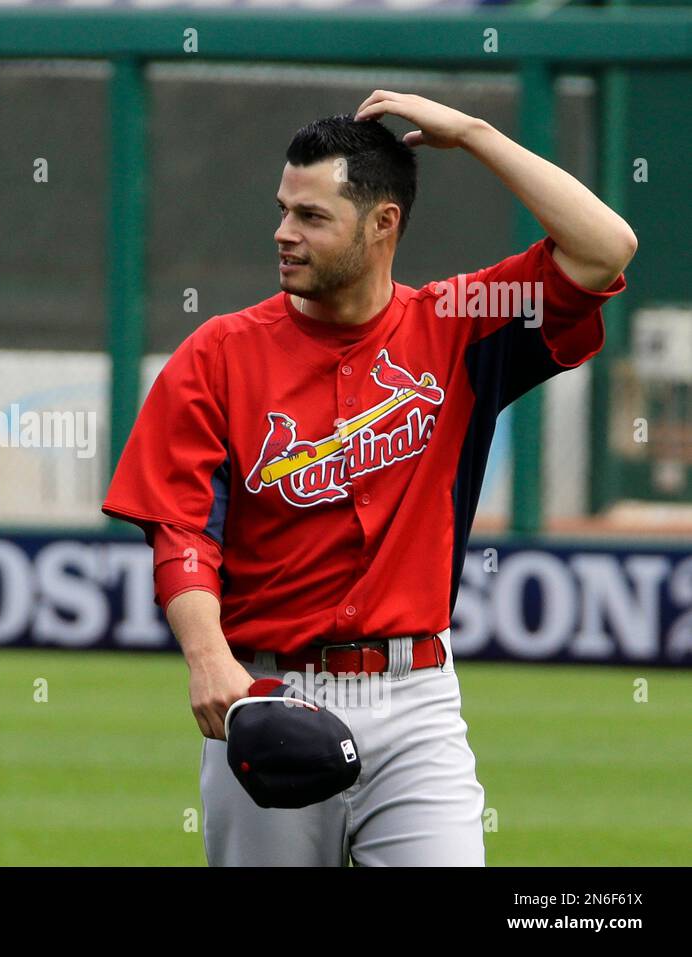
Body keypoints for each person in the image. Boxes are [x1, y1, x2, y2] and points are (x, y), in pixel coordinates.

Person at [102, 92, 636, 866]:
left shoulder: (459, 326)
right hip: (270, 693)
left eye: (312, 216)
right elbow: (181, 529)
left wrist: (477, 134)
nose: (284, 233)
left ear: (383, 224)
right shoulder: (218, 355)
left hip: (417, 698)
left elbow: (606, 246)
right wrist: (209, 658)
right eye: (284, 209)